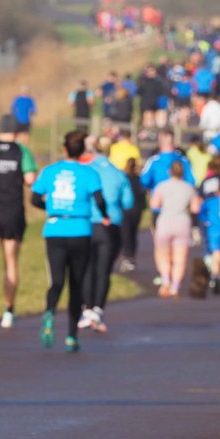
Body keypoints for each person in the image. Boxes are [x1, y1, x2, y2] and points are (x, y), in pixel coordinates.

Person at [31, 131, 109, 352]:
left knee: (56, 281)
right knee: (76, 283)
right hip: (80, 229)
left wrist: (52, 208)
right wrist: (104, 215)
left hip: (55, 229)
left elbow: (35, 198)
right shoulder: (89, 173)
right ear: (82, 151)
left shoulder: (50, 171)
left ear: (64, 149)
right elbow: (100, 199)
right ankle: (72, 337)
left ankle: (49, 312)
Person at [0, 114, 38, 331]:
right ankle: (9, 312)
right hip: (13, 212)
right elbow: (31, 180)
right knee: (11, 262)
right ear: (17, 131)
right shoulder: (21, 151)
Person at [80, 137, 134, 333]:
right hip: (111, 225)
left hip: (86, 223)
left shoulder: (85, 171)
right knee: (103, 269)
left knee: (87, 268)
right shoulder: (118, 174)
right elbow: (128, 203)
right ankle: (97, 310)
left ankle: (86, 309)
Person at [150, 160, 202, 298]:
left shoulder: (161, 186)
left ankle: (165, 280)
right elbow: (195, 208)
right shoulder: (189, 188)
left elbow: (154, 204)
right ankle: (175, 286)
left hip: (165, 221)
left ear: (169, 172)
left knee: (162, 254)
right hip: (182, 222)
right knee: (180, 258)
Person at [197, 154, 220, 294]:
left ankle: (215, 275)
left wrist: (203, 221)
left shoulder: (208, 191)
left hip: (214, 229)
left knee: (216, 253)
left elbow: (201, 209)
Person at [119, 157, 147, 272]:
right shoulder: (139, 180)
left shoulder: (123, 179)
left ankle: (127, 256)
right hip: (136, 210)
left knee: (126, 233)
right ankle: (130, 256)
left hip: (125, 210)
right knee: (133, 233)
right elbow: (142, 195)